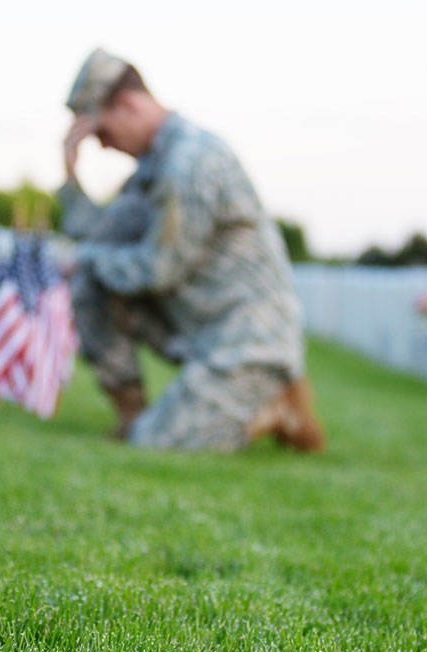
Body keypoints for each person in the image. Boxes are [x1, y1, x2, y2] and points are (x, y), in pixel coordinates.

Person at [58, 48, 325, 452]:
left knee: (157, 442)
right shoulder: (153, 166)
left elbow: (157, 270)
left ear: (129, 105)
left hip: (247, 340)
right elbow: (99, 240)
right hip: (200, 326)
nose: (105, 147)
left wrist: (84, 261)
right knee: (92, 284)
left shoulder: (189, 162)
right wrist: (70, 176)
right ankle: (133, 414)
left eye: (103, 133)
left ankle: (273, 405)